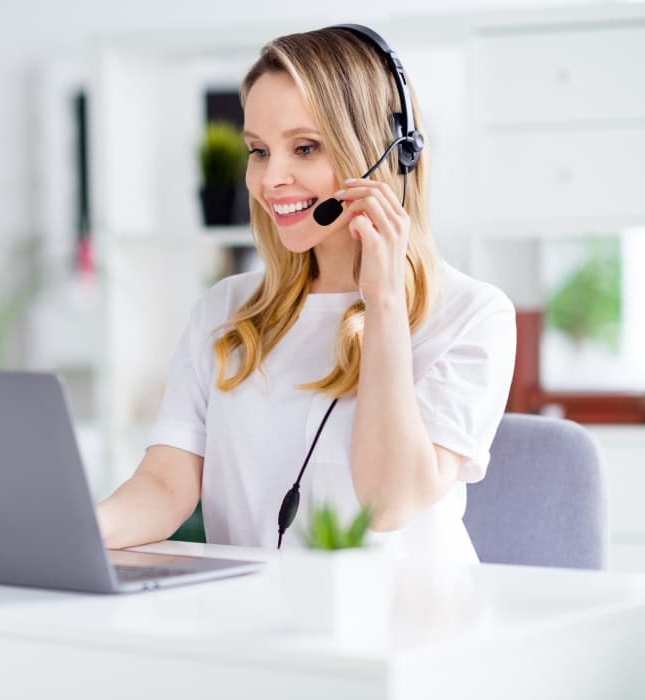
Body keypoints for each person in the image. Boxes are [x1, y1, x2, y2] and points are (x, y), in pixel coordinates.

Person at [96, 24, 515, 563]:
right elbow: (166, 484)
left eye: (305, 148)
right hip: (257, 628)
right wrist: (78, 531)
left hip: (412, 629)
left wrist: (384, 301)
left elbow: (388, 503)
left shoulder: (472, 314)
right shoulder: (227, 311)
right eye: (259, 151)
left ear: (382, 153)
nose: (272, 179)